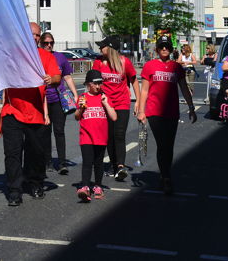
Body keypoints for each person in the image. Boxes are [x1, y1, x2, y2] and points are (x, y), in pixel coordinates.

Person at [1, 22, 60, 206]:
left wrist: (52, 79)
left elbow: (57, 76)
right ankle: (14, 191)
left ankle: (35, 183)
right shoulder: (11, 54)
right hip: (13, 110)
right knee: (13, 153)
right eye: (31, 34)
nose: (34, 38)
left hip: (35, 112)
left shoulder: (45, 56)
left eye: (37, 35)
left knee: (36, 152)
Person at [136, 35, 197, 195]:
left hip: (171, 111)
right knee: (162, 144)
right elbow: (144, 90)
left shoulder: (176, 67)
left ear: (171, 49)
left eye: (167, 47)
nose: (164, 49)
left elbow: (184, 88)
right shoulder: (149, 66)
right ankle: (166, 177)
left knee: (168, 146)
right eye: (162, 46)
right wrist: (141, 111)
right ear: (157, 49)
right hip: (154, 111)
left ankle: (164, 175)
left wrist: (191, 107)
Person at [93, 35, 138, 182]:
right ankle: (113, 165)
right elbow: (93, 82)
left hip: (122, 103)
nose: (100, 48)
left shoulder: (124, 62)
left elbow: (134, 80)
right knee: (109, 137)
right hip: (105, 104)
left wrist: (137, 101)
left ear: (110, 48)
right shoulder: (98, 63)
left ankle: (120, 166)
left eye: (103, 46)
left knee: (119, 135)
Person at [39, 32, 79, 175]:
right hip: (42, 99)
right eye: (46, 43)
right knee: (45, 132)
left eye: (51, 43)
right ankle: (47, 161)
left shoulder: (60, 57)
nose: (49, 45)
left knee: (59, 131)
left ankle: (62, 163)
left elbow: (67, 77)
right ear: (41, 43)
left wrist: (75, 94)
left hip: (58, 99)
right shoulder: (37, 58)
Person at [75, 70, 118, 202]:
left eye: (100, 83)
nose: (99, 86)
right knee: (87, 162)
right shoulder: (83, 97)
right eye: (96, 83)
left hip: (100, 136)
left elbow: (114, 117)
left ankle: (98, 186)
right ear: (88, 84)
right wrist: (81, 108)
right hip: (86, 136)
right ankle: (85, 187)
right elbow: (77, 116)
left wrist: (105, 103)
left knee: (98, 163)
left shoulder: (104, 97)